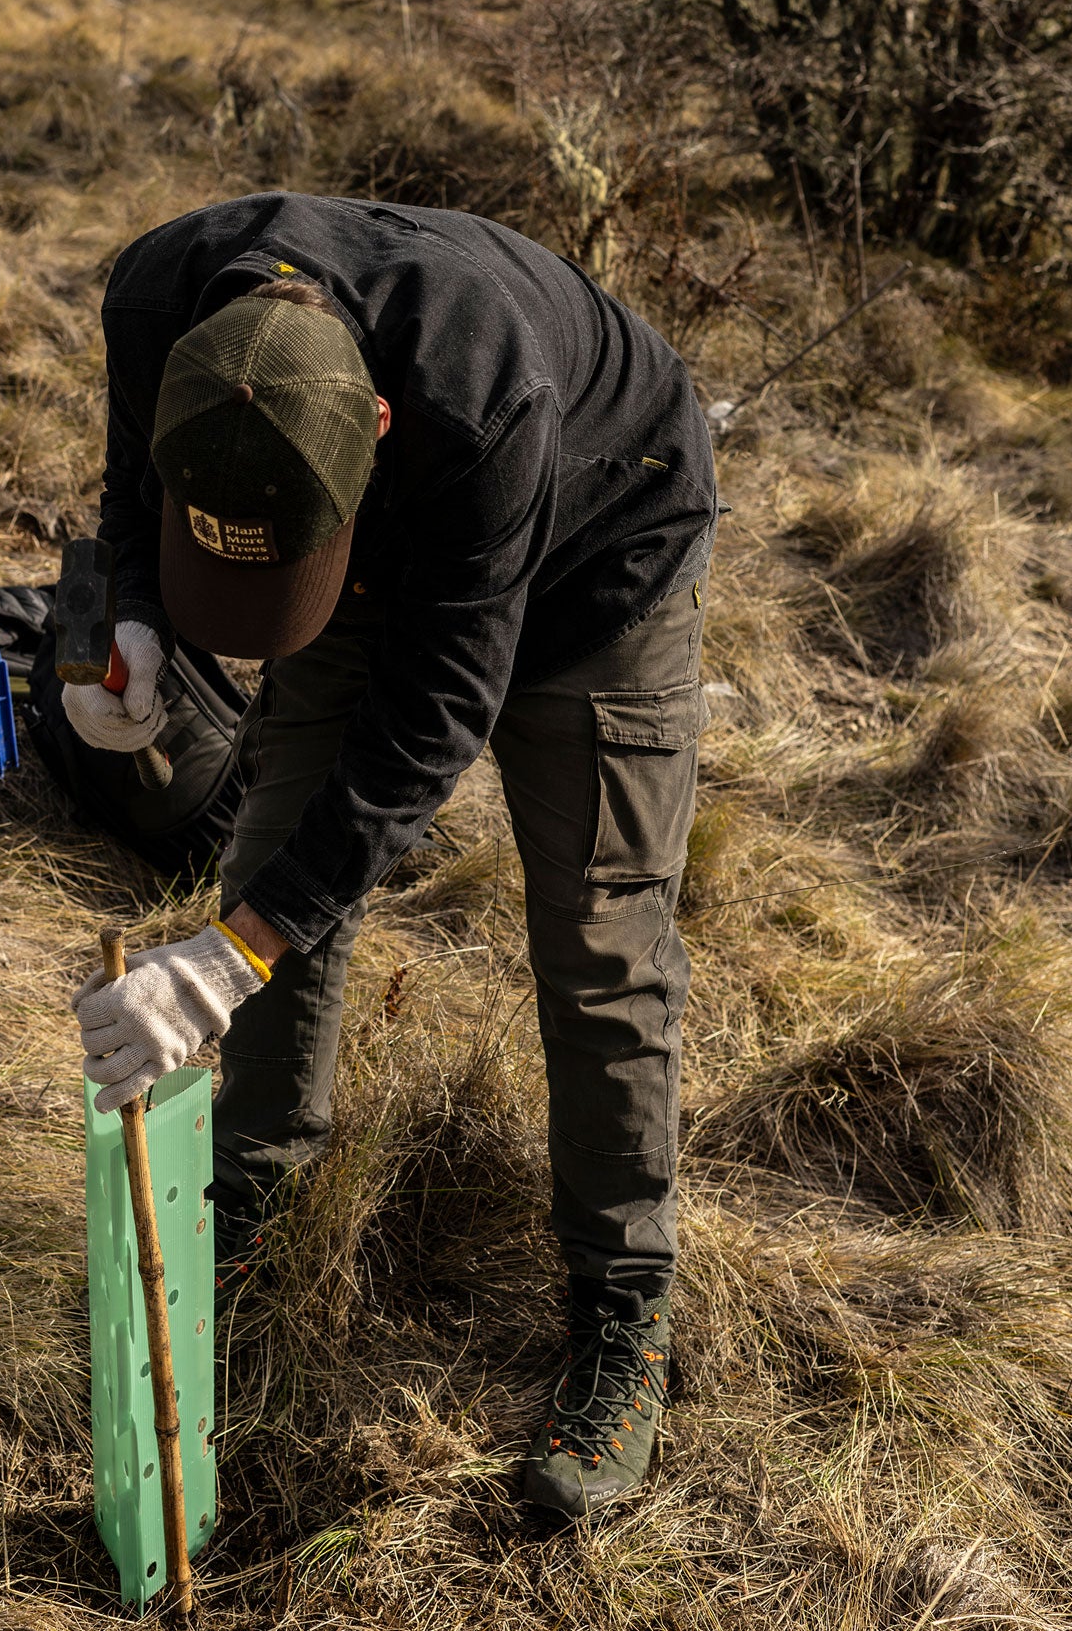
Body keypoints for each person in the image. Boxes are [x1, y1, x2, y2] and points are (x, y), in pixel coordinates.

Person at [67, 192, 717, 1518]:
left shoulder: (485, 398)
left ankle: (623, 1309)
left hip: (603, 549)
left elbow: (432, 727)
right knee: (277, 843)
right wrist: (136, 618)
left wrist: (228, 959)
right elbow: (138, 485)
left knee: (597, 943)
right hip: (358, 536)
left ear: (370, 430)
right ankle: (251, 1198)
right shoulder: (156, 301)